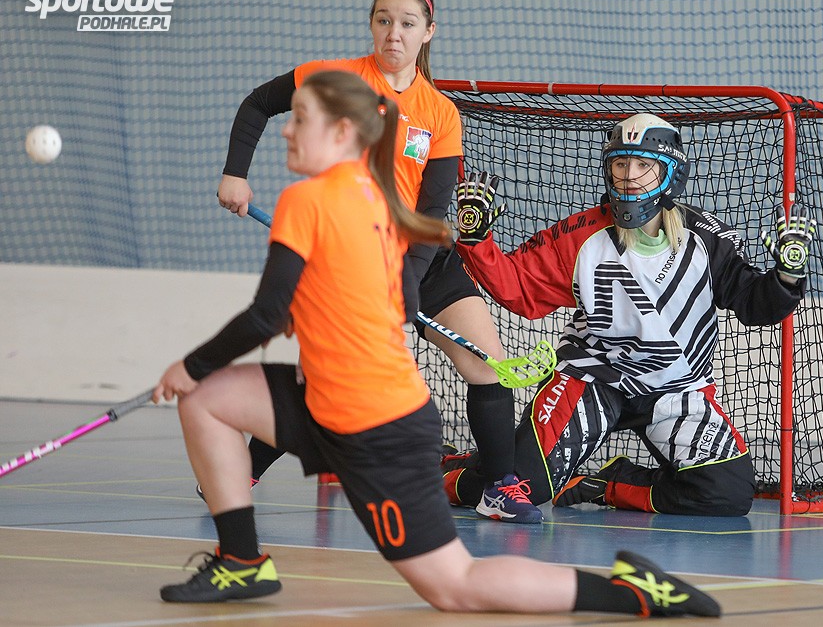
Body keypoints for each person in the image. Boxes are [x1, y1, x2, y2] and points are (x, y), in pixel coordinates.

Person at [152, 71, 721, 619]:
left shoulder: (309, 201)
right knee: (209, 401)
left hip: (371, 424)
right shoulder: (379, 203)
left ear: (342, 132)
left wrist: (189, 365)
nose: (286, 129)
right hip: (334, 400)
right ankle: (242, 560)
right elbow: (374, 300)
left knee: (456, 587)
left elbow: (267, 314)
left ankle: (633, 593)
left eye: (301, 118)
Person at [213, 0, 540, 524]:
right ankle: (239, 472)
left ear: (428, 32)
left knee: (489, 365)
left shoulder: (440, 112)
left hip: (421, 259)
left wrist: (405, 282)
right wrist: (235, 174)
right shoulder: (338, 80)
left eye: (407, 24)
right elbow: (257, 104)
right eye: (384, 20)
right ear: (371, 24)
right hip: (350, 259)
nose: (394, 33)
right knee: (322, 381)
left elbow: (433, 210)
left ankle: (499, 488)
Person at [444, 113, 816, 516]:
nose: (629, 175)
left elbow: (754, 304)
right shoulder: (582, 235)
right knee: (521, 486)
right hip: (592, 377)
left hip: (675, 387)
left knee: (727, 493)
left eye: (643, 164)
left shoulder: (707, 240)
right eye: (620, 163)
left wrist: (786, 275)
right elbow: (519, 290)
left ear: (671, 173)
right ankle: (442, 471)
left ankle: (609, 484)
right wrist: (477, 240)